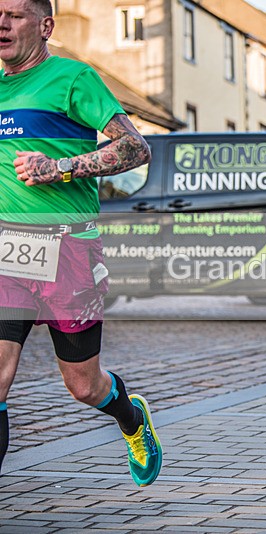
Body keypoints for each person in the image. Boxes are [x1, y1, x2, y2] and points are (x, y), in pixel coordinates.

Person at [0, 0, 162, 485]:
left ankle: (130, 417)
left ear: (46, 25)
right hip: (7, 251)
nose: (0, 22)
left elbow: (136, 146)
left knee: (84, 386)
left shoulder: (73, 78)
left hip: (68, 251)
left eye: (14, 14)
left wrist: (60, 168)